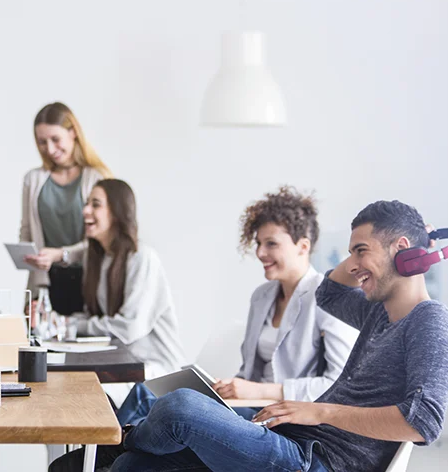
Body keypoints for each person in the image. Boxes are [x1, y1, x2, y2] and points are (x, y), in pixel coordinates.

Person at [101, 200, 448, 472]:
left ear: (400, 248)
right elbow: (329, 292)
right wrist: (406, 252)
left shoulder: (429, 320)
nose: (352, 263)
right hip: (294, 441)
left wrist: (321, 412)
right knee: (132, 466)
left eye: (361, 250)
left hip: (317, 461)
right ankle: (124, 447)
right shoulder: (379, 312)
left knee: (180, 406)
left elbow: (423, 422)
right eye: (351, 251)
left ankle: (119, 438)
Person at [116, 187, 358, 427]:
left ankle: (99, 456)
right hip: (248, 405)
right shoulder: (262, 297)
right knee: (146, 392)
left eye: (271, 243)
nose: (260, 252)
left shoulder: (327, 299)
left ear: (303, 247)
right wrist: (229, 387)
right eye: (258, 243)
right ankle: (104, 453)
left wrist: (258, 390)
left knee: (159, 404)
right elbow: (250, 373)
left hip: (281, 417)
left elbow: (337, 385)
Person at [76, 179, 184, 381]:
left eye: (96, 204)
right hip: (118, 366)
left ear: (117, 212)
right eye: (86, 203)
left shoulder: (142, 257)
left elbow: (129, 327)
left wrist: (73, 326)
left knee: (86, 396)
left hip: (154, 372)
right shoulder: (98, 260)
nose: (85, 211)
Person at [20, 102, 112, 302]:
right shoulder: (33, 180)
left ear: (73, 133)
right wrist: (28, 256)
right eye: (42, 142)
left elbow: (102, 238)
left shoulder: (95, 178)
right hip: (45, 283)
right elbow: (26, 230)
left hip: (87, 281)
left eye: (55, 139)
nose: (50, 149)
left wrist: (60, 255)